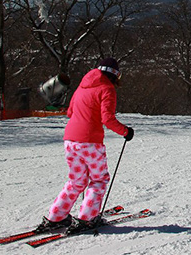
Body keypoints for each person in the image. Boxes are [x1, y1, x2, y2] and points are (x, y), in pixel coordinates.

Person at [35, 58, 134, 234]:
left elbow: (70, 112)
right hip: (90, 142)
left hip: (70, 140)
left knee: (76, 181)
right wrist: (126, 131)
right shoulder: (107, 89)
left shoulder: (82, 86)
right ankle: (87, 219)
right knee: (99, 180)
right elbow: (107, 119)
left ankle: (55, 217)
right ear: (114, 74)